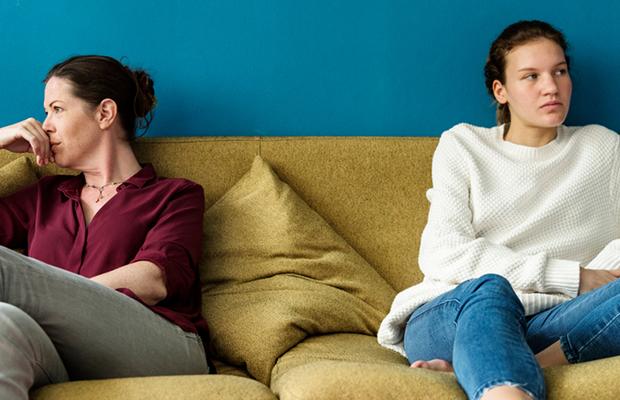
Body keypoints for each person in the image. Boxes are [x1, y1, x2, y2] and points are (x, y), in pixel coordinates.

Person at [377, 20, 620, 400]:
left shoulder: (604, 149)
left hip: (549, 322)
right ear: (500, 90)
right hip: (456, 315)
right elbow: (443, 252)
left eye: (559, 71)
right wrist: (575, 277)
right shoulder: (463, 146)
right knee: (493, 288)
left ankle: (511, 363)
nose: (551, 87)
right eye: (531, 76)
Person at [0, 55, 209, 399]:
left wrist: (57, 298)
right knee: (4, 324)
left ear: (104, 113)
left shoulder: (175, 195)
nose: (44, 124)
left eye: (56, 109)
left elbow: (154, 279)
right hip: (63, 353)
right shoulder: (44, 197)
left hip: (160, 346)